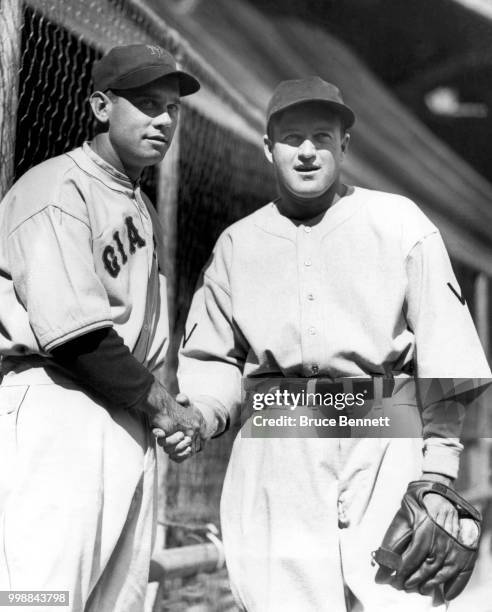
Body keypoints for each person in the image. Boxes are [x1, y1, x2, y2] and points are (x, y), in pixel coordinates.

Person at [173, 76, 491, 611]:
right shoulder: (238, 243)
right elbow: (213, 358)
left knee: (401, 599)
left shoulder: (399, 223)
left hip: (384, 433)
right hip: (279, 438)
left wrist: (437, 472)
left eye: (321, 136)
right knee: (283, 600)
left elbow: (447, 352)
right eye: (291, 137)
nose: (306, 151)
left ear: (344, 144)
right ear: (267, 147)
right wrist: (203, 414)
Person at [0, 44, 206, 611]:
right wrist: (164, 407)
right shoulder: (57, 189)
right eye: (144, 103)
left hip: (124, 407)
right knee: (38, 597)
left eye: (171, 107)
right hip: (58, 401)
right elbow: (76, 336)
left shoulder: (142, 206)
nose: (162, 119)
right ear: (100, 107)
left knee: (117, 601)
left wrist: (158, 410)